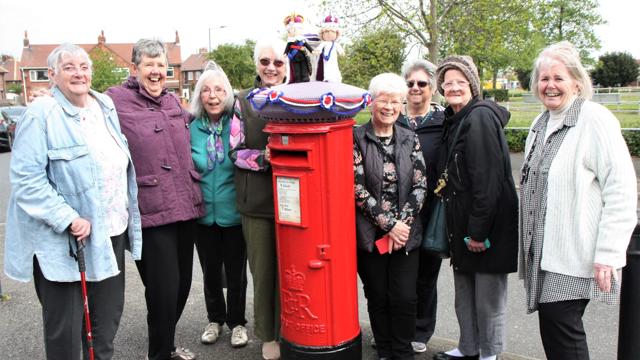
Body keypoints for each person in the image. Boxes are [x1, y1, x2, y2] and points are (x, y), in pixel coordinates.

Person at [4, 43, 142, 360]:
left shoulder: (104, 105)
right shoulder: (40, 114)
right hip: (66, 242)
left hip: (110, 232)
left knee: (104, 327)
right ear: (52, 75)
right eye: (68, 67)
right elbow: (26, 180)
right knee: (64, 335)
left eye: (84, 66)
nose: (79, 72)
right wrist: (67, 217)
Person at [520, 41, 637, 360]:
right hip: (543, 253)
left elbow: (622, 188)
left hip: (574, 253)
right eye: (544, 79)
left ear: (576, 81)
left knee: (561, 330)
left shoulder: (594, 119)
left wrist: (609, 253)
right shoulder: (540, 123)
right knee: (554, 330)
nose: (550, 86)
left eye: (558, 78)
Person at [105, 39, 204, 360]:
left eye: (161, 65)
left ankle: (166, 344)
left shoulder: (174, 102)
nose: (156, 71)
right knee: (163, 291)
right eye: (149, 64)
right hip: (150, 210)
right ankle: (159, 353)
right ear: (135, 69)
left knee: (183, 286)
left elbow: (204, 121)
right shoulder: (114, 101)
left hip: (186, 205)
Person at [433, 56, 518, 360]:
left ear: (472, 85)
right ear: (441, 87)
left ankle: (489, 354)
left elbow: (488, 181)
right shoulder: (454, 118)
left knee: (488, 300)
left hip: (484, 227)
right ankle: (468, 347)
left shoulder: (479, 118)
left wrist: (478, 232)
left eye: (461, 82)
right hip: (463, 226)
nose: (454, 87)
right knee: (465, 294)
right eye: (448, 82)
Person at [353, 72, 427, 360]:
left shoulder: (411, 138)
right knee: (378, 295)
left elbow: (420, 184)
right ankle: (384, 349)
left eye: (396, 101)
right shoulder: (356, 137)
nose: (389, 106)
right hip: (371, 234)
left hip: (405, 235)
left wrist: (402, 226)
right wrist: (388, 225)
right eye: (384, 99)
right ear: (372, 102)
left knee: (405, 297)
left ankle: (402, 350)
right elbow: (356, 187)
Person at [228, 39, 288, 360]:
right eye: (265, 61)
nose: (271, 68)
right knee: (263, 272)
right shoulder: (243, 102)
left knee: (292, 270)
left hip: (295, 203)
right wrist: (265, 157)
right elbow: (234, 152)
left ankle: (291, 329)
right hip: (257, 203)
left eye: (278, 63)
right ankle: (268, 334)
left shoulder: (298, 99)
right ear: (256, 65)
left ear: (286, 66)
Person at [188, 66, 249, 348]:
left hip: (234, 213)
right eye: (207, 90)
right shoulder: (191, 128)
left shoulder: (237, 125)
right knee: (210, 271)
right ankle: (215, 319)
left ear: (227, 94)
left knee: (236, 272)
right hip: (203, 215)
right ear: (200, 95)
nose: (213, 96)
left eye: (219, 90)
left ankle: (237, 323)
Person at [396, 59, 445, 354]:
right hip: (397, 213)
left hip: (430, 211)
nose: (415, 88)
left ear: (432, 88)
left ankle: (420, 330)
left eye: (422, 84)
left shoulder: (442, 123)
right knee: (399, 278)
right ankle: (395, 328)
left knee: (426, 276)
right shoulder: (394, 120)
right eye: (410, 83)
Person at [313, 15, 343, 82]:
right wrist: (317, 51)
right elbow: (319, 48)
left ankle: (336, 77)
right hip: (326, 60)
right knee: (327, 68)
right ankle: (327, 78)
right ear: (322, 34)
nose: (329, 34)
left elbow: (340, 49)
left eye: (332, 32)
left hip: (333, 59)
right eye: (326, 32)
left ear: (336, 34)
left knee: (335, 67)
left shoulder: (335, 44)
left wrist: (341, 52)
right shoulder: (324, 43)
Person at [283, 13, 313, 83]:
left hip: (302, 56)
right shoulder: (290, 41)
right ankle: (298, 79)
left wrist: (312, 51)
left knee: (304, 68)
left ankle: (305, 77)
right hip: (294, 58)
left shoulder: (302, 40)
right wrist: (285, 53)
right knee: (296, 70)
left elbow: (307, 46)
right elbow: (287, 48)